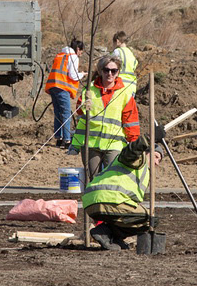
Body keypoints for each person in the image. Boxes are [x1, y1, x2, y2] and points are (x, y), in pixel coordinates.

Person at [82, 135, 160, 250]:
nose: (157, 162)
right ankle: (106, 232)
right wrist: (149, 138)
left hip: (91, 202)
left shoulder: (140, 170)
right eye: (156, 156)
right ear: (147, 152)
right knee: (150, 219)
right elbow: (131, 151)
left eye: (159, 160)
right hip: (109, 200)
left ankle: (113, 239)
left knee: (128, 216)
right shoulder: (138, 158)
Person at [69, 54, 140, 182]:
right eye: (106, 70)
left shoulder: (124, 93)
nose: (110, 74)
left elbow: (130, 121)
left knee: (111, 179)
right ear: (101, 71)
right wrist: (84, 103)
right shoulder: (89, 89)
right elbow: (80, 113)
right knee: (93, 180)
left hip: (114, 144)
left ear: (118, 72)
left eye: (114, 71)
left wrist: (134, 145)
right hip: (91, 144)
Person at [44, 39, 85, 148]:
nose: (80, 54)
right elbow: (73, 75)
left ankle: (59, 139)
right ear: (78, 49)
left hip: (53, 87)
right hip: (62, 88)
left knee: (58, 113)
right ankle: (67, 140)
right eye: (81, 52)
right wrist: (82, 74)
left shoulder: (60, 55)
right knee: (66, 113)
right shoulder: (73, 56)